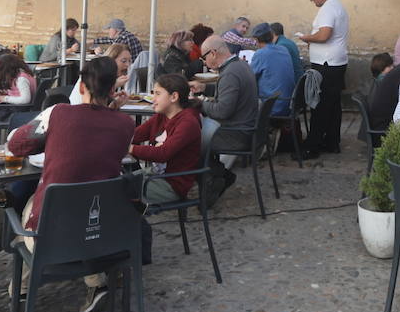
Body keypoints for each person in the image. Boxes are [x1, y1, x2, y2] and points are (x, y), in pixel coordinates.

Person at [6, 55, 136, 312]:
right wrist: (113, 110)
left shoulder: (58, 113)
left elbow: (16, 145)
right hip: (103, 230)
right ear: (113, 89)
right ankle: (96, 281)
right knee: (79, 205)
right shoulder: (126, 124)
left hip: (52, 232)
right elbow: (101, 142)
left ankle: (20, 292)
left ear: (81, 86)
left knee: (32, 210)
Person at [191, 34, 257, 190]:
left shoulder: (229, 73)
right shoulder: (240, 65)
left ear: (213, 53)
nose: (204, 62)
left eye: (204, 58)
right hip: (247, 129)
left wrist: (199, 103)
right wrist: (205, 88)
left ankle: (218, 179)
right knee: (194, 137)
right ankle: (218, 177)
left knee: (187, 143)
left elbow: (221, 112)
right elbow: (231, 91)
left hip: (236, 135)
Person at [128, 73, 203, 206]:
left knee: (117, 188)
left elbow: (163, 154)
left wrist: (130, 148)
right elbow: (135, 135)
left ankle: (134, 217)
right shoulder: (162, 116)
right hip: (156, 175)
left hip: (173, 184)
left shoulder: (188, 123)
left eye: (157, 94)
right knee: (113, 181)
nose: (153, 98)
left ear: (174, 97)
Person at [298, 0, 349, 159]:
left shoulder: (328, 8)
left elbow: (324, 35)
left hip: (326, 63)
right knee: (333, 106)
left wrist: (307, 38)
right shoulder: (338, 5)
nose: (312, 1)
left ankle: (313, 146)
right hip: (336, 62)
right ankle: (332, 142)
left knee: (319, 105)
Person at [249, 23, 299, 118]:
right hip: (288, 103)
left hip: (272, 107)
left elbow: (250, 79)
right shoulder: (283, 49)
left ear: (256, 40)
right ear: (272, 36)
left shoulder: (260, 54)